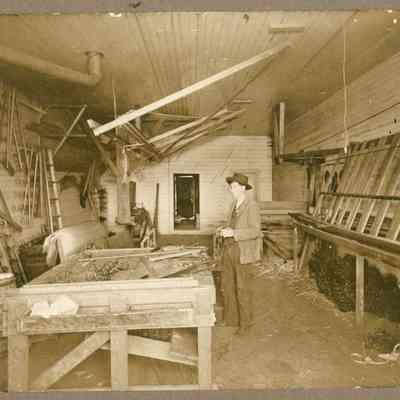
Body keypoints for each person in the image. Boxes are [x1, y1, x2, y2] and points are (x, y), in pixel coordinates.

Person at [218, 172, 263, 335]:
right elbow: (232, 224)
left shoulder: (252, 205)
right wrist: (224, 229)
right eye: (231, 186)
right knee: (228, 285)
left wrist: (234, 233)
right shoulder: (233, 204)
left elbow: (256, 231)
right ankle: (231, 320)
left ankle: (245, 325)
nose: (231, 189)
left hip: (242, 251)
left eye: (235, 186)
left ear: (243, 188)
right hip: (229, 249)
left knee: (243, 288)